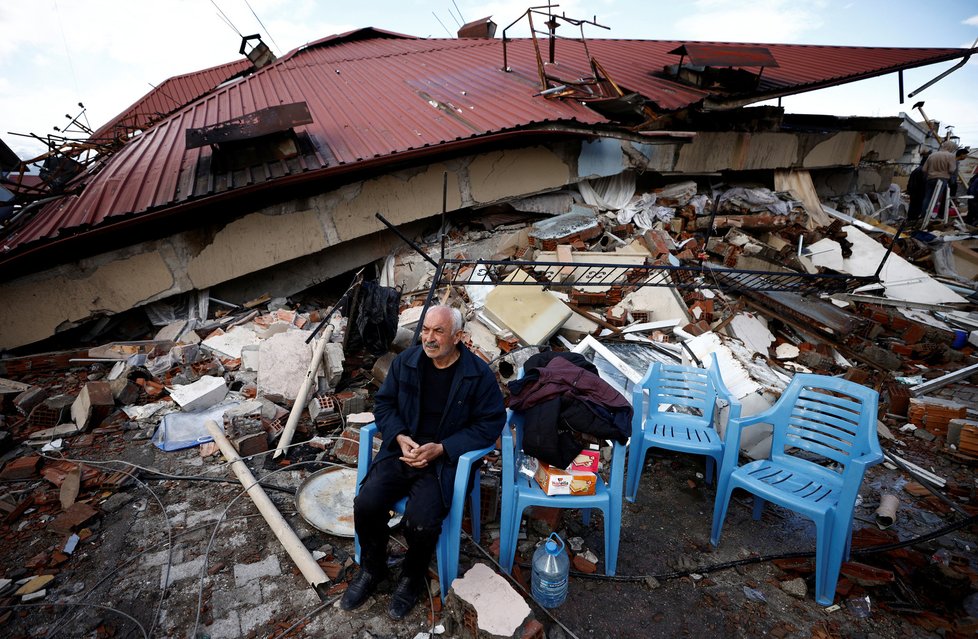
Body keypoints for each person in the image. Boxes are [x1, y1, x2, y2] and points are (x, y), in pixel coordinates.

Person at [341, 304, 505, 620]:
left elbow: (490, 424)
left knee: (422, 522)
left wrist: (442, 448)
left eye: (438, 332)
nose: (429, 338)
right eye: (426, 330)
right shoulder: (407, 362)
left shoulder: (477, 375)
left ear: (458, 336)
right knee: (366, 503)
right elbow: (384, 404)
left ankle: (412, 576)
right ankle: (372, 569)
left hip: (444, 463)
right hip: (402, 452)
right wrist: (400, 435)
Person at [920, 140, 958, 226]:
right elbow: (952, 170)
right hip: (942, 179)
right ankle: (929, 218)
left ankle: (923, 216)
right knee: (935, 199)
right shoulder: (950, 156)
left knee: (927, 198)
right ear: (951, 147)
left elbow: (924, 169)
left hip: (930, 178)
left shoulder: (932, 155)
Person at [905, 151, 929, 225]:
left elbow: (910, 181)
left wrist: (909, 189)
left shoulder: (916, 170)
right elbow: (923, 182)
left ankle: (910, 219)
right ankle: (913, 221)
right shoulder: (924, 171)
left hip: (913, 191)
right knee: (917, 207)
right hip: (919, 191)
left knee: (912, 206)